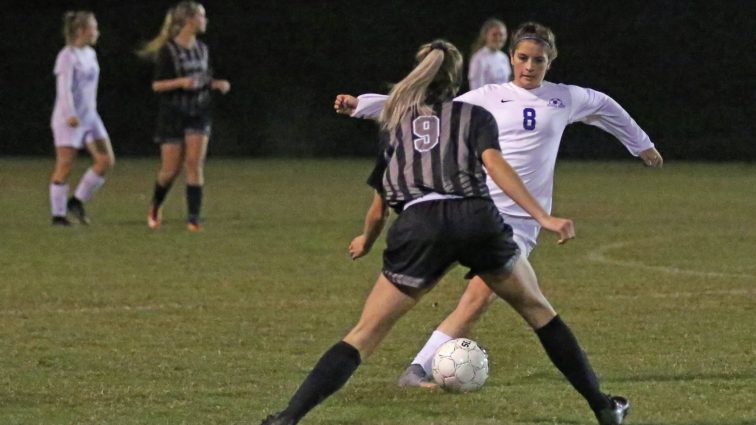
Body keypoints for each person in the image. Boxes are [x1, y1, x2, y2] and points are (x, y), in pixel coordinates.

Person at [263, 38, 626, 425]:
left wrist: (367, 240)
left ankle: (286, 420)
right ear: (457, 82)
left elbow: (379, 202)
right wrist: (543, 215)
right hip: (476, 218)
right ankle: (603, 408)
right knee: (540, 312)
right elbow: (498, 169)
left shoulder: (395, 125)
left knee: (364, 334)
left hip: (419, 225)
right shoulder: (473, 116)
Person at [137, 1, 230, 232]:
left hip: (199, 112)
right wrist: (180, 82)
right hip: (173, 114)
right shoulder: (168, 50)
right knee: (170, 170)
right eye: (202, 16)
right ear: (189, 20)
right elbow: (157, 86)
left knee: (195, 164)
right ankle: (155, 205)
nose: (205, 20)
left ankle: (193, 219)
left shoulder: (203, 49)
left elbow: (202, 80)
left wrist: (215, 84)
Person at [49, 11, 114, 226]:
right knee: (65, 164)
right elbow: (64, 88)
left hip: (90, 117)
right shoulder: (67, 55)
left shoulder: (90, 54)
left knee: (106, 160)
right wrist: (70, 114)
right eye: (93, 28)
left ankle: (76, 202)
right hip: (70, 119)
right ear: (80, 31)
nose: (97, 32)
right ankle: (58, 215)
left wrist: (87, 114)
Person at [468, 18, 511, 90]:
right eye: (494, 35)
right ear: (486, 36)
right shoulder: (479, 59)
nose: (498, 38)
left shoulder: (504, 58)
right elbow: (476, 90)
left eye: (501, 35)